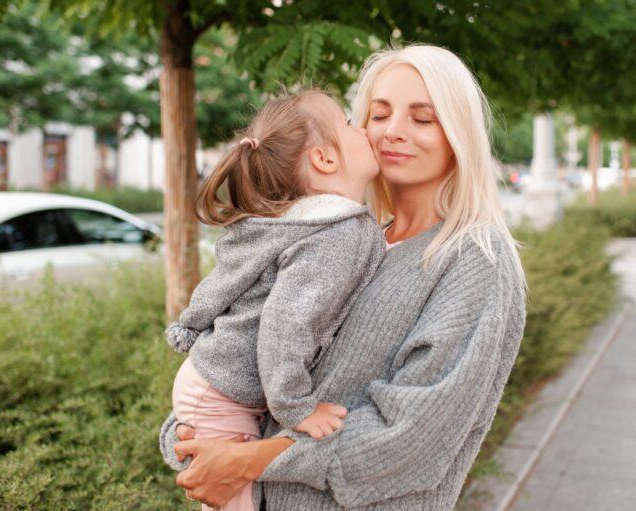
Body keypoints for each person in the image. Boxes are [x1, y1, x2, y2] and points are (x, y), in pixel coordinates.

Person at [161, 43, 528, 510]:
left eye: (422, 118)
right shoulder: (346, 242)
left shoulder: (475, 259)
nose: (394, 132)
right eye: (379, 114)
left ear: (458, 134)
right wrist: (195, 438)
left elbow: (410, 437)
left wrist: (247, 461)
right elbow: (256, 358)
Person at [160, 89, 386, 511]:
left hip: (214, 385)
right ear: (325, 159)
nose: (365, 131)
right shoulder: (334, 234)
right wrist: (297, 409)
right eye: (349, 124)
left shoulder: (305, 224)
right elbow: (286, 325)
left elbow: (230, 283)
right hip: (223, 394)